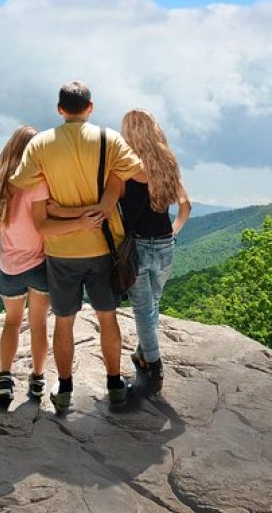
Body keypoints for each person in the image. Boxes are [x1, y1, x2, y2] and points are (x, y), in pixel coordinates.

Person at [9, 81, 145, 414]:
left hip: (61, 250)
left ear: (59, 109)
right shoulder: (108, 139)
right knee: (107, 317)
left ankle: (65, 389)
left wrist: (55, 204)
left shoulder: (40, 144)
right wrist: (111, 182)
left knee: (65, 321)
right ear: (90, 107)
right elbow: (139, 173)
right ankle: (114, 385)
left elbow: (19, 182)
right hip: (103, 247)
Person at [0, 125, 104, 406]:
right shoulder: (36, 183)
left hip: (9, 266)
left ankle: (4, 379)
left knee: (11, 323)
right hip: (39, 264)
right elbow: (48, 220)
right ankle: (37, 379)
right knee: (38, 325)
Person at [119, 108, 192, 395]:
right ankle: (142, 355)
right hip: (165, 245)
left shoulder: (124, 167)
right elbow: (186, 205)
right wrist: (173, 232)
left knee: (142, 310)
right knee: (152, 308)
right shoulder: (168, 163)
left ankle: (154, 367)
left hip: (137, 247)